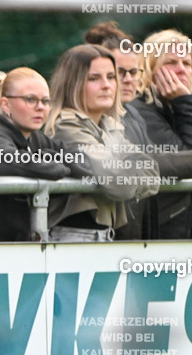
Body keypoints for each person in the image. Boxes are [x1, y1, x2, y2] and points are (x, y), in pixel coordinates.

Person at [0, 67, 95, 242]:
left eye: (46, 101)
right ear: (6, 104)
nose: (40, 107)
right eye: (30, 99)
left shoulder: (34, 138)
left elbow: (83, 160)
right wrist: (54, 163)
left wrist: (50, 158)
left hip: (12, 249)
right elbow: (7, 160)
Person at [45, 45, 164, 241]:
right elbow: (120, 183)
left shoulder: (109, 125)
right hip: (72, 237)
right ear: (72, 84)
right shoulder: (65, 126)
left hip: (103, 236)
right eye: (94, 78)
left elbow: (152, 171)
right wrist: (132, 170)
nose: (106, 85)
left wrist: (128, 171)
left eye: (111, 77)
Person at [129, 29, 192, 239]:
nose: (181, 69)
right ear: (148, 68)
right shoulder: (139, 109)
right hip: (150, 235)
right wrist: (186, 101)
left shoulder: (175, 108)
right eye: (171, 62)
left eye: (187, 64)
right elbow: (191, 156)